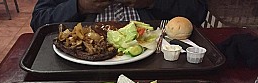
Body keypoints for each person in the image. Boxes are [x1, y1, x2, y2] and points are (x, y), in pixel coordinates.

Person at [30, 0, 208, 32]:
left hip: (155, 56)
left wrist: (152, 2)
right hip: (82, 62)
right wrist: (79, 6)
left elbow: (197, 12)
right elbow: (38, 21)